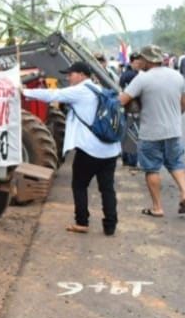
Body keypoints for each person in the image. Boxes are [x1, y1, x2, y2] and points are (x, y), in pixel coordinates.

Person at [23, 61, 121, 236]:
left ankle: (82, 222)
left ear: (82, 75)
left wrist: (24, 92)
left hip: (90, 150)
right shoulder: (98, 90)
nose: (67, 77)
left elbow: (53, 95)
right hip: (110, 149)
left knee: (79, 185)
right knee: (107, 188)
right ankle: (110, 225)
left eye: (71, 74)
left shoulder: (80, 91)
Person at [118, 44, 185, 217]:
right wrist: (174, 117)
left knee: (152, 169)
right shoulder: (177, 76)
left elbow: (123, 100)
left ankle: (157, 207)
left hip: (150, 132)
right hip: (174, 130)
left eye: (141, 59)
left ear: (146, 60)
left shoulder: (142, 78)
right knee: (175, 163)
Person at [118, 52, 144, 168]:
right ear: (132, 62)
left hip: (127, 107)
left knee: (127, 134)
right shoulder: (133, 75)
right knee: (133, 134)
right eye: (137, 62)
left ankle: (127, 160)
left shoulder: (126, 73)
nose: (139, 64)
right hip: (133, 107)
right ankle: (132, 162)